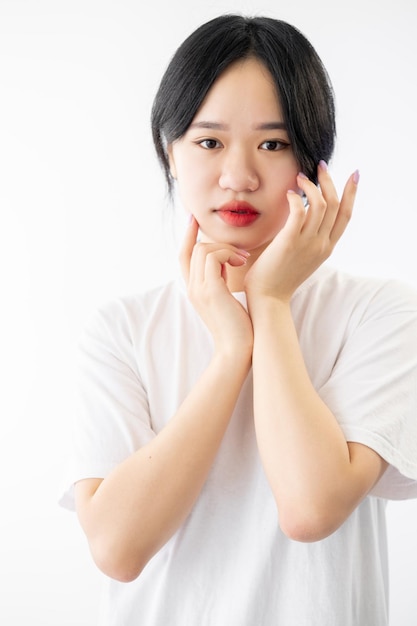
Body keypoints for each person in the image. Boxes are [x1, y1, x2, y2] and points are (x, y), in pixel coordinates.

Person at [60, 14, 417, 625]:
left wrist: (271, 305)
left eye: (273, 144)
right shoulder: (122, 330)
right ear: (169, 154)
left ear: (313, 161)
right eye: (209, 141)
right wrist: (230, 353)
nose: (239, 176)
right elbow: (117, 549)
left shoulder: (378, 314)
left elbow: (309, 509)